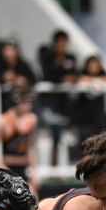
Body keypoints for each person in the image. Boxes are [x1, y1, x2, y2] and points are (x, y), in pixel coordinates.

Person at [0, 87, 40, 194]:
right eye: (25, 102)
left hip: (24, 168)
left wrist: (34, 171)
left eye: (30, 102)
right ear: (17, 102)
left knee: (32, 198)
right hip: (8, 167)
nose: (29, 105)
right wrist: (1, 168)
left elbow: (30, 147)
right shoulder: (3, 121)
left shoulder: (31, 119)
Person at [38, 30, 78, 167]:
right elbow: (47, 75)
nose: (62, 46)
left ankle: (65, 165)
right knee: (54, 132)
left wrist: (71, 78)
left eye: (64, 43)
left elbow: (74, 74)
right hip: (49, 101)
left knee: (64, 134)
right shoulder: (48, 58)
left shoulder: (71, 58)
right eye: (60, 43)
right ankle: (53, 164)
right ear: (55, 44)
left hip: (65, 102)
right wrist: (62, 78)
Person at [71, 54, 106, 148]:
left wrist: (101, 80)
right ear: (86, 66)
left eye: (96, 66)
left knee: (98, 141)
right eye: (91, 66)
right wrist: (94, 81)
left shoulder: (103, 77)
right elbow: (74, 79)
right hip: (83, 115)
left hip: (98, 115)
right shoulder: (81, 76)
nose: (93, 68)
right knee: (83, 142)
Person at [0, 38, 37, 111]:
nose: (8, 54)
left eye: (11, 50)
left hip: (21, 103)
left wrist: (23, 81)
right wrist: (3, 77)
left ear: (16, 51)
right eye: (6, 50)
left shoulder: (22, 65)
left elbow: (33, 79)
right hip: (2, 103)